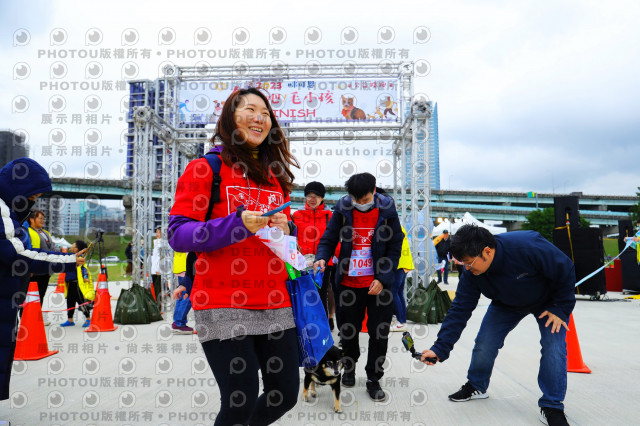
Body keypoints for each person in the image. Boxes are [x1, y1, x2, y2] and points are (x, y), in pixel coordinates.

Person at [168, 87, 300, 426]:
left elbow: (284, 242)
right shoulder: (206, 168)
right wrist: (236, 224)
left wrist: (288, 229)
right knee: (239, 399)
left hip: (276, 300)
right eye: (250, 110)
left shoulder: (276, 178)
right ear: (230, 117)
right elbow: (178, 234)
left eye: (265, 113)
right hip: (222, 301)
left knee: (284, 394)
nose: (259, 118)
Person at [420, 224, 575, 426]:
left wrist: (561, 307)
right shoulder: (471, 272)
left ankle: (552, 406)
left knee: (554, 348)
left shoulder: (528, 246)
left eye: (469, 263)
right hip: (506, 304)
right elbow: (459, 309)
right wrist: (440, 348)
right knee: (485, 343)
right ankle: (477, 385)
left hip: (549, 303)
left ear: (487, 251)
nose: (467, 268)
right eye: (462, 264)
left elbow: (565, 268)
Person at [0, 158, 86, 401]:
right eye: (32, 197)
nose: (33, 204)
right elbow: (18, 255)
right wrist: (67, 260)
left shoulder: (16, 219)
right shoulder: (3, 213)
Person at [314, 172, 403, 402]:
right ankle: (349, 367)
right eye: (356, 200)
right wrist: (321, 257)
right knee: (348, 331)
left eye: (364, 200)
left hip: (378, 285)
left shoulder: (387, 210)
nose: (360, 204)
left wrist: (382, 278)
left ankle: (374, 378)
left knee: (379, 333)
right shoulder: (343, 208)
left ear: (374, 191)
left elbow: (395, 247)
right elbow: (328, 238)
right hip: (348, 283)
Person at [291, 181, 336, 329]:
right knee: (303, 294)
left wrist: (337, 257)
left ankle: (323, 327)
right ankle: (304, 327)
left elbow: (334, 239)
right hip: (302, 263)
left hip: (323, 262)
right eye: (309, 195)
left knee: (322, 294)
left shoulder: (330, 216)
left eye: (316, 196)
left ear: (322, 198)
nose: (312, 199)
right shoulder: (296, 215)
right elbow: (292, 238)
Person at [25, 210, 56, 307]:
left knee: (41, 296)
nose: (43, 221)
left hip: (46, 270)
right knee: (30, 297)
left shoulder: (45, 233)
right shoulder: (27, 232)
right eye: (40, 218)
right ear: (32, 219)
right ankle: (26, 315)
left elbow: (53, 247)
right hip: (34, 271)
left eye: (44, 219)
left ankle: (37, 315)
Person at [61, 240, 92, 327]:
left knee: (81, 301)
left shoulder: (80, 258)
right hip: (69, 283)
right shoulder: (71, 257)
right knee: (70, 302)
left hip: (76, 284)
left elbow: (84, 268)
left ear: (77, 249)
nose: (70, 247)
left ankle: (88, 318)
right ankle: (70, 320)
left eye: (72, 246)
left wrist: (85, 277)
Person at [390, 225, 415, 332]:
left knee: (393, 292)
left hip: (400, 264)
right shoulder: (400, 227)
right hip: (404, 264)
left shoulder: (395, 228)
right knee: (399, 293)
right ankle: (402, 321)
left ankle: (400, 322)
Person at [171, 251, 195, 334]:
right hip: (186, 266)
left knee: (181, 296)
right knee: (187, 296)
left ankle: (178, 322)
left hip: (180, 266)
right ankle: (179, 323)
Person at [151, 227, 168, 310]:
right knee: (155, 289)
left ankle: (159, 307)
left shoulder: (163, 243)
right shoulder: (156, 242)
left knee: (158, 290)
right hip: (154, 269)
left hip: (158, 269)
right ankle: (157, 306)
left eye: (159, 232)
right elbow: (154, 257)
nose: (157, 234)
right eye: (156, 232)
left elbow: (162, 258)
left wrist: (160, 270)